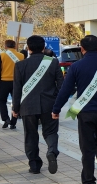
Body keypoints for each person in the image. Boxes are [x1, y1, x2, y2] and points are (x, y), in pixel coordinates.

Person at [52, 35, 97, 184]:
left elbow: (65, 91)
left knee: (88, 148)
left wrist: (56, 110)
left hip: (86, 113)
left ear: (82, 49)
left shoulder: (76, 66)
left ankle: (89, 183)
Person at [12, 35, 64, 174]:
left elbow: (16, 89)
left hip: (27, 106)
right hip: (49, 105)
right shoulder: (53, 62)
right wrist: (56, 102)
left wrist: (15, 108)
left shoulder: (20, 65)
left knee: (30, 135)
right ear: (43, 47)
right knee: (51, 132)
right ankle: (52, 151)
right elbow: (61, 85)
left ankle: (34, 166)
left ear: (28, 48)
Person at [0, 39, 24, 129]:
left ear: (5, 46)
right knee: (16, 101)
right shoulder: (21, 55)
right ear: (15, 46)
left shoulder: (1, 55)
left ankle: (6, 119)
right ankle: (13, 123)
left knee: (2, 101)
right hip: (17, 81)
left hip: (4, 81)